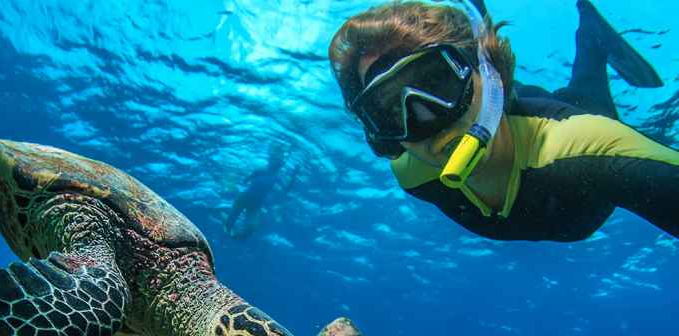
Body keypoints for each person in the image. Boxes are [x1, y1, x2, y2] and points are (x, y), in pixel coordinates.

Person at [329, 0, 679, 242]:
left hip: (562, 109)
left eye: (436, 82)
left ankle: (591, 35)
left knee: (587, 88)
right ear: (383, 135)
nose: (425, 118)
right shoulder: (412, 170)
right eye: (390, 109)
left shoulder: (584, 147)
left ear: (490, 74)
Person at [224, 147, 292, 239]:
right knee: (233, 220)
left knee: (250, 227)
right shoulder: (263, 172)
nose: (276, 162)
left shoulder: (273, 176)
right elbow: (246, 180)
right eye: (274, 159)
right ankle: (229, 230)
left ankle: (235, 235)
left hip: (254, 202)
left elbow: (286, 190)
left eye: (278, 160)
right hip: (248, 199)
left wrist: (294, 176)